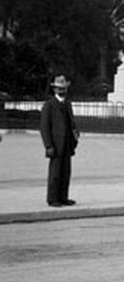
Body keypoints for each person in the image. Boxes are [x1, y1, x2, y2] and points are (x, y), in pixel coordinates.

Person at [40, 75, 80, 207]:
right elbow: (44, 127)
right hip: (55, 145)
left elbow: (71, 121)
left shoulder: (67, 103)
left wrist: (75, 132)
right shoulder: (49, 105)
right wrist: (48, 145)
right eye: (58, 88)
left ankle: (63, 197)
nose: (61, 91)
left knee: (66, 172)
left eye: (63, 88)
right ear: (54, 89)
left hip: (67, 144)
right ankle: (52, 198)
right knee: (55, 173)